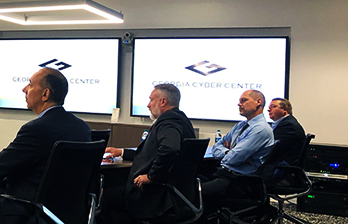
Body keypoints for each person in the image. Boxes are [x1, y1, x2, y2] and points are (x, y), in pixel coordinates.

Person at [0, 68, 91, 224]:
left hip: (25, 211)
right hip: (64, 213)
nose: (24, 89)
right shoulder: (82, 128)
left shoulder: (36, 129)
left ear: (45, 94)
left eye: (30, 84)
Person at [97, 84, 195, 223]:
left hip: (153, 196)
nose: (148, 105)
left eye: (151, 100)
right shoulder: (183, 120)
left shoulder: (168, 121)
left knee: (103, 197)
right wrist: (122, 152)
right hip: (175, 195)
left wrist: (151, 176)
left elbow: (170, 148)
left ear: (163, 101)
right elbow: (153, 153)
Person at [200, 90, 274, 221]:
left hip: (240, 181)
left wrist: (231, 153)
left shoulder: (261, 129)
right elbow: (216, 146)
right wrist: (229, 151)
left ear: (258, 102)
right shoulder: (240, 126)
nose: (239, 104)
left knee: (197, 193)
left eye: (244, 100)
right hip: (225, 174)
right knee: (192, 182)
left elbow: (233, 159)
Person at [267, 98, 306, 166]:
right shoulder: (285, 123)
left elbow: (273, 149)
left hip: (280, 167)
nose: (269, 110)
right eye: (269, 107)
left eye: (273, 107)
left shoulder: (288, 125)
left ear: (284, 109)